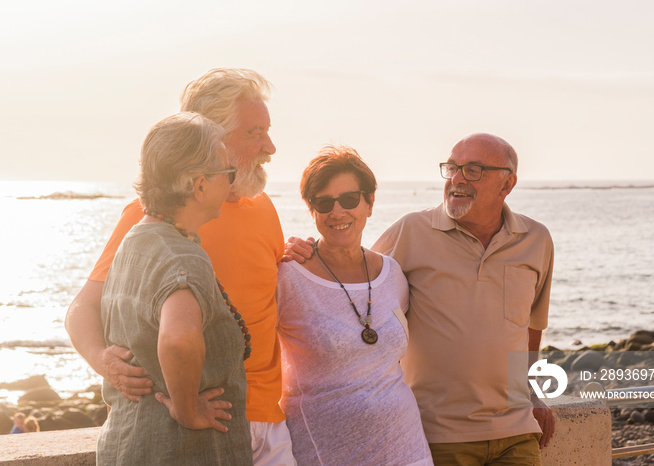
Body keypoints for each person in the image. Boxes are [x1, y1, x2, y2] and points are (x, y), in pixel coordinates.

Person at [65, 69, 294, 465]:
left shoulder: (265, 208)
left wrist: (306, 255)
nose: (269, 146)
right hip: (206, 428)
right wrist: (105, 362)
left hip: (269, 421)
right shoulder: (152, 216)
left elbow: (264, 296)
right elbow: (82, 309)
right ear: (213, 136)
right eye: (254, 132)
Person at [286, 134, 555, 465]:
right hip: (437, 435)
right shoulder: (411, 231)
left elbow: (530, 329)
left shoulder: (536, 240)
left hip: (516, 431)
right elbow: (352, 270)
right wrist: (304, 249)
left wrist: (533, 395)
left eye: (473, 170)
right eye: (452, 168)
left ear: (507, 183)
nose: (456, 179)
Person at [97, 112, 251, 465]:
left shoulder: (135, 240)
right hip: (182, 451)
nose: (232, 181)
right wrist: (186, 409)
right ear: (198, 186)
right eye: (228, 172)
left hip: (127, 445)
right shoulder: (182, 256)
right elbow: (178, 339)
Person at [277, 145, 433, 465]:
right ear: (312, 210)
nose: (337, 212)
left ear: (370, 203)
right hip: (326, 452)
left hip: (407, 449)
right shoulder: (287, 276)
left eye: (349, 200)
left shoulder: (393, 275)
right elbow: (240, 334)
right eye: (324, 202)